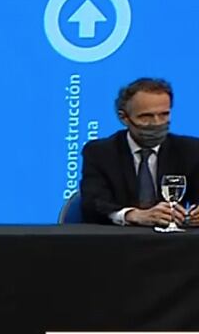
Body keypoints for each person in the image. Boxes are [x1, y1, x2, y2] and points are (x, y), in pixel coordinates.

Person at [80, 78, 199, 226]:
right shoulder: (100, 152)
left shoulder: (191, 150)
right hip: (120, 243)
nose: (157, 123)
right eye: (146, 116)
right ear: (124, 117)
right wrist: (133, 215)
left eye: (164, 114)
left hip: (175, 243)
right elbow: (92, 205)